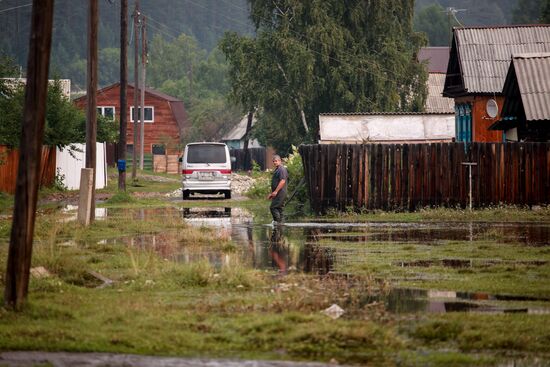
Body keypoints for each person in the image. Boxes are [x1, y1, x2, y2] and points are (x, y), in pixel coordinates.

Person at [267, 154, 288, 225]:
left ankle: (277, 223)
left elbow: (282, 181)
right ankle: (281, 226)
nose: (275, 162)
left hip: (280, 193)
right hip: (278, 193)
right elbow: (275, 183)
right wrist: (272, 193)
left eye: (276, 161)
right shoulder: (277, 169)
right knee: (279, 209)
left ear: (280, 161)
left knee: (273, 207)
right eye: (273, 161)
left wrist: (275, 191)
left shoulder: (282, 169)